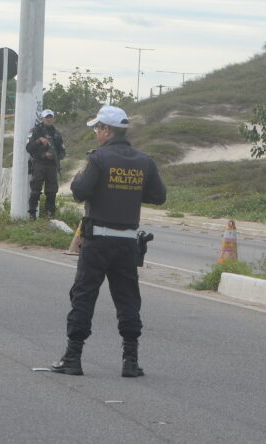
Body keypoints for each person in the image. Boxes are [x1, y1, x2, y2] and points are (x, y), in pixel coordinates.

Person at [50, 105, 166, 378]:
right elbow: (158, 196)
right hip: (127, 244)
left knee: (84, 296)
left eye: (97, 128)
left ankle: (73, 358)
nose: (96, 133)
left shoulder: (99, 158)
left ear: (107, 130)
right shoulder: (144, 161)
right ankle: (130, 361)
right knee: (127, 300)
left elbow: (79, 191)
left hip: (97, 241)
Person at [25, 109, 66, 219]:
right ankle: (32, 215)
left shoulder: (57, 134)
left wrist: (57, 156)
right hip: (39, 164)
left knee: (52, 192)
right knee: (35, 190)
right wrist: (40, 143)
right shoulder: (35, 131)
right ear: (42, 118)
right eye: (46, 117)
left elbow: (63, 151)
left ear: (53, 118)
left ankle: (50, 215)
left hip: (52, 166)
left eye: (50, 117)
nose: (49, 119)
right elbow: (28, 148)